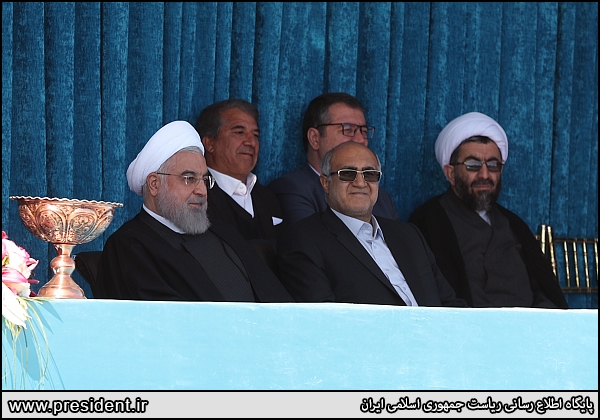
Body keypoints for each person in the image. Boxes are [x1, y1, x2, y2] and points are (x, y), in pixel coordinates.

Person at [95, 120, 293, 302]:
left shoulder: (223, 233)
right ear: (154, 184)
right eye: (189, 179)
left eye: (204, 180)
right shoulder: (128, 247)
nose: (202, 191)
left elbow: (278, 300)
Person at [408, 112, 568, 309]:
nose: (484, 174)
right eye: (473, 165)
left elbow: (545, 292)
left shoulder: (514, 224)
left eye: (493, 165)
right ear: (451, 173)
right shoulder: (428, 221)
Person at [276, 142, 466, 307]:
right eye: (348, 173)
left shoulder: (408, 235)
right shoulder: (303, 239)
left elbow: (450, 304)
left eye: (370, 174)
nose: (361, 183)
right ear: (326, 183)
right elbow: (323, 320)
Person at [268, 92, 400, 224]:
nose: (361, 140)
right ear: (315, 138)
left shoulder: (382, 197)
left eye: (364, 131)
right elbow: (311, 236)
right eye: (348, 130)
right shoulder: (291, 189)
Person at [195, 99, 283, 240]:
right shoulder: (196, 198)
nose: (251, 142)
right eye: (239, 132)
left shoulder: (268, 198)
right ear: (209, 143)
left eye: (255, 135)